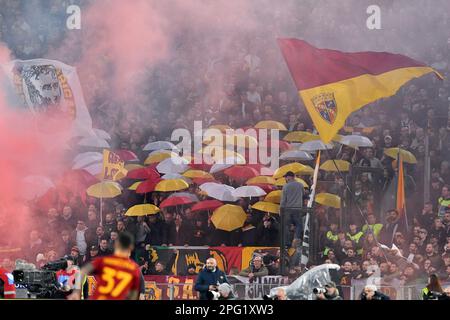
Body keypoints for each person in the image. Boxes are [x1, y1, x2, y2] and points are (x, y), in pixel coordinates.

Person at [67, 232, 141, 300]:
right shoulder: (134, 269)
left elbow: (82, 272)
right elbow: (133, 295)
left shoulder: (105, 261)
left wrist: (76, 292)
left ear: (116, 244)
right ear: (131, 247)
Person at [280, 171, 304, 248]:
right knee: (299, 225)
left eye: (286, 177)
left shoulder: (285, 186)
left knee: (286, 226)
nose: (285, 179)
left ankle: (287, 243)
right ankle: (296, 238)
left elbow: (283, 200)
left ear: (289, 177)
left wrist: (281, 209)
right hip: (298, 209)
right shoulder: (300, 185)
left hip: (288, 210)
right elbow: (303, 194)